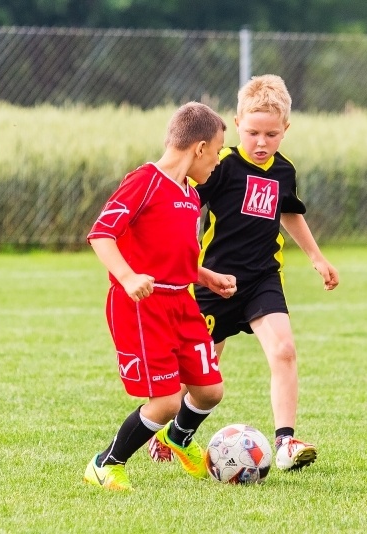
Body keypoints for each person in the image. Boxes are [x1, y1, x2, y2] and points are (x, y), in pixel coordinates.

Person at [148, 74, 340, 471]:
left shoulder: (284, 171)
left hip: (262, 280)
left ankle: (286, 442)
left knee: (284, 350)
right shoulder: (221, 167)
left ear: (285, 130)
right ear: (237, 126)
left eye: (271, 134)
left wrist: (317, 257)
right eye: (253, 132)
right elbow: (184, 205)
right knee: (198, 376)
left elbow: (289, 211)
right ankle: (172, 434)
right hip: (213, 283)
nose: (261, 142)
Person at [83, 102, 237, 491]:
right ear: (199, 148)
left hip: (181, 302)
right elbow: (101, 234)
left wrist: (206, 277)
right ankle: (105, 464)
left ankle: (178, 438)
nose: (218, 162)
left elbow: (173, 254)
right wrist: (128, 276)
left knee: (209, 391)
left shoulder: (188, 195)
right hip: (140, 306)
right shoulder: (144, 181)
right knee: (166, 401)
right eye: (218, 152)